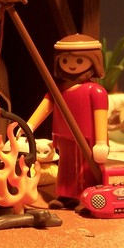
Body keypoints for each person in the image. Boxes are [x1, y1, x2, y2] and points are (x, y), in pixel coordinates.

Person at [26, 34, 108, 208]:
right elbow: (46, 106)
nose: (72, 65)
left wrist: (101, 142)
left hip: (87, 139)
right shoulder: (58, 90)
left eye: (79, 61)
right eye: (66, 60)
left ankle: (88, 197)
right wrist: (29, 125)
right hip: (64, 137)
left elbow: (100, 116)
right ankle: (66, 195)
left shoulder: (96, 91)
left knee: (86, 169)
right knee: (65, 168)